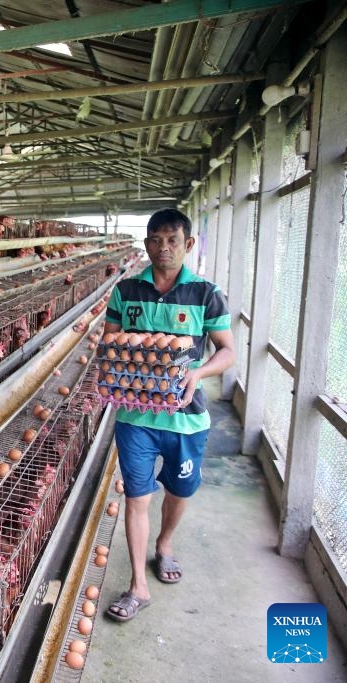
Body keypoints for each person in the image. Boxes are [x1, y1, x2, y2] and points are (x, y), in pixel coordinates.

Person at [102, 208, 235, 622]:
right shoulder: (125, 292)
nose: (163, 248)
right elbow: (111, 343)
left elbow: (228, 351)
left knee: (179, 492)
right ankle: (138, 587)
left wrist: (198, 371)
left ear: (188, 244)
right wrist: (119, 361)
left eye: (172, 240)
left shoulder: (207, 294)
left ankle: (165, 544)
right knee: (137, 498)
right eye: (156, 240)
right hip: (134, 416)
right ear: (146, 244)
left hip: (186, 418)